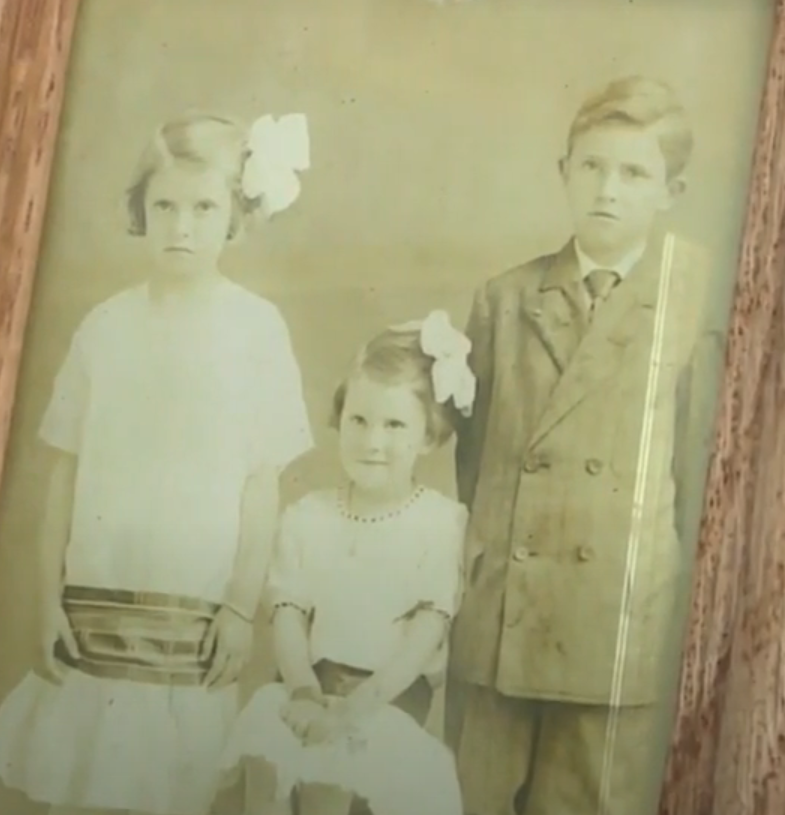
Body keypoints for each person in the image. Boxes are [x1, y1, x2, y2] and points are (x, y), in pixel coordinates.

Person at [0, 110, 314, 815]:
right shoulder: (105, 327)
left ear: (235, 215)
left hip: (192, 619)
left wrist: (238, 605)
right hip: (95, 607)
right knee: (80, 788)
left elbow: (261, 484)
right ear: (139, 210)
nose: (181, 226)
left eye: (204, 208)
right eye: (164, 205)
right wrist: (47, 599)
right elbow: (65, 473)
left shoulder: (255, 329)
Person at [447, 76, 724, 815]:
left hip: (615, 624)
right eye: (592, 166)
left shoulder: (694, 301)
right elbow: (474, 468)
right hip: (504, 621)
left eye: (634, 173)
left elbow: (699, 480)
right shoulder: (503, 300)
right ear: (562, 172)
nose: (608, 189)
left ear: (672, 188)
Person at [222, 311, 473, 815]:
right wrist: (303, 692)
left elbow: (426, 631)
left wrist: (358, 709)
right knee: (269, 762)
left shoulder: (439, 522)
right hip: (305, 687)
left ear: (428, 437)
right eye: (358, 420)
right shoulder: (309, 515)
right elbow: (289, 615)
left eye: (395, 424)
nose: (372, 441)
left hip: (386, 701)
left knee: (340, 783)